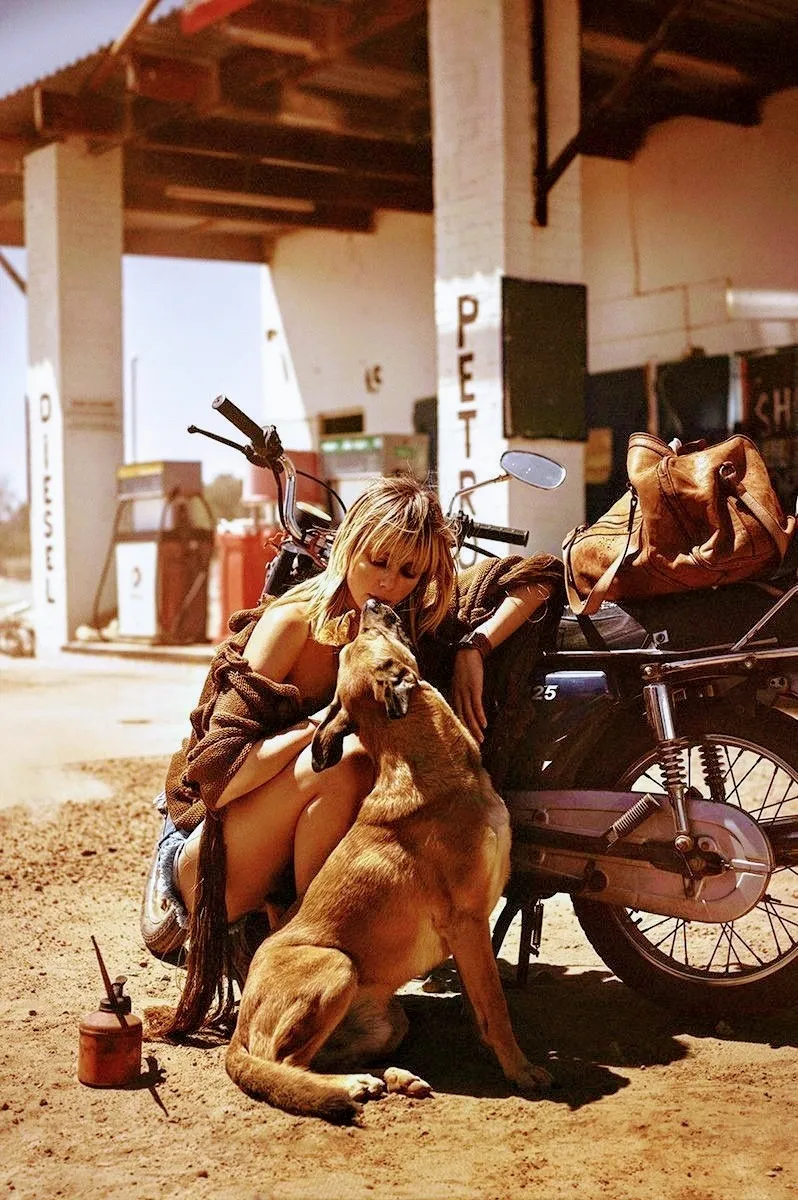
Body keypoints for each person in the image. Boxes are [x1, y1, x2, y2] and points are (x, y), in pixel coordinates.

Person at [141, 473, 563, 1034]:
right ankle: (309, 953)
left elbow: (541, 576)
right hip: (200, 878)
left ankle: (315, 965)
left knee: (368, 767)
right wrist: (324, 725)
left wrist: (472, 646)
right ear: (349, 544)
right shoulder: (292, 624)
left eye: (409, 572)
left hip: (269, 869)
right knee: (347, 763)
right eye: (377, 561)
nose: (389, 582)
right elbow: (218, 781)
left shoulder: (400, 626)